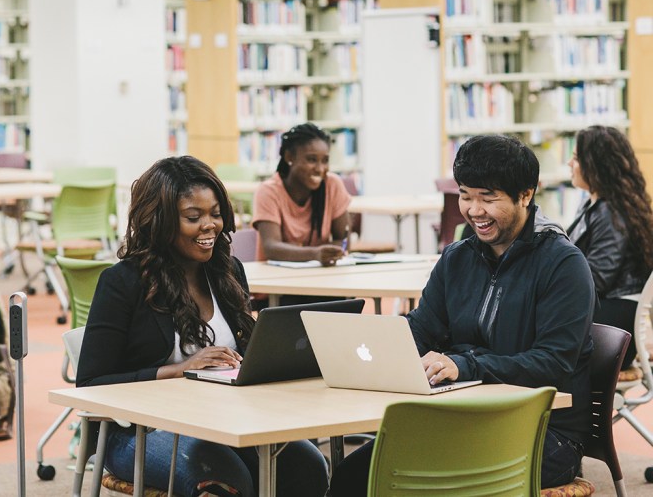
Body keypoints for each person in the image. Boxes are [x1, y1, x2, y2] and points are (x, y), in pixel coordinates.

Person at [329, 134, 594, 495]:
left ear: (526, 195)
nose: (473, 210)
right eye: (465, 195)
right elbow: (424, 326)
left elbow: (553, 363)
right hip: (458, 414)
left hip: (543, 431)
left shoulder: (563, 264)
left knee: (413, 478)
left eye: (488, 198)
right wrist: (376, 345)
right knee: (353, 475)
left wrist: (464, 366)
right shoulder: (457, 257)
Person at [76, 156, 329, 497]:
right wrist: (179, 369)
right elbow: (91, 383)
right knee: (226, 479)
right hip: (139, 431)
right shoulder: (123, 283)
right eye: (193, 217)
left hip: (223, 419)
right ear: (161, 221)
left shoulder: (227, 272)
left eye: (215, 213)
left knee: (308, 466)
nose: (210, 225)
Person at [566, 125, 653, 365]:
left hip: (612, 323)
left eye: (575, 158)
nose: (569, 164)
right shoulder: (593, 206)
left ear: (595, 165)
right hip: (608, 313)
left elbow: (597, 280)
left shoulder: (610, 211)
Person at [252, 122, 351, 264]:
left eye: (325, 161)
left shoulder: (332, 184)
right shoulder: (268, 191)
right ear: (289, 157)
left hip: (322, 276)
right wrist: (315, 253)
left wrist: (321, 254)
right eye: (311, 160)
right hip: (275, 278)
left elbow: (344, 240)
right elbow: (271, 248)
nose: (319, 168)